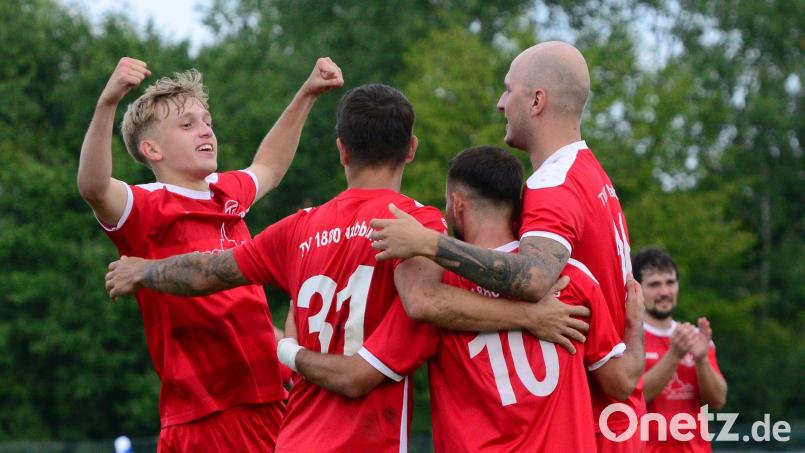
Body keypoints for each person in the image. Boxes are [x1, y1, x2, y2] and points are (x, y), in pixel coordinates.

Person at [104, 84, 590, 452]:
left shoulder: (297, 228)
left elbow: (209, 271)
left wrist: (145, 271)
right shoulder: (414, 224)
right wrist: (529, 315)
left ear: (341, 149)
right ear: (412, 149)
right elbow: (419, 312)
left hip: (291, 440)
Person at [368, 41, 646, 451]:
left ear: (537, 101)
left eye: (508, 88)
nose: (501, 103)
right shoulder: (590, 172)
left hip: (596, 426)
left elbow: (532, 279)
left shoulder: (552, 186)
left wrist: (430, 243)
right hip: (615, 416)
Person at [281, 146, 646, 452]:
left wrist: (287, 347)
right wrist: (634, 328)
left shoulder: (438, 294)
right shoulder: (573, 279)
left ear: (457, 205)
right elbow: (621, 382)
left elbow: (356, 375)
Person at [77, 56, 343, 451]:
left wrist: (307, 93)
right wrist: (107, 103)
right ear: (152, 149)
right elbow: (94, 186)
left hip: (271, 398)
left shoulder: (225, 192)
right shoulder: (146, 205)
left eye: (207, 122)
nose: (205, 131)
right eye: (187, 125)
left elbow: (268, 165)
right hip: (205, 413)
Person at [634, 247, 727, 453]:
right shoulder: (628, 337)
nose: (665, 292)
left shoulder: (695, 337)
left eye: (670, 282)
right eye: (654, 285)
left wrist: (701, 359)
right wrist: (674, 355)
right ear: (637, 289)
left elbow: (718, 400)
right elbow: (634, 399)